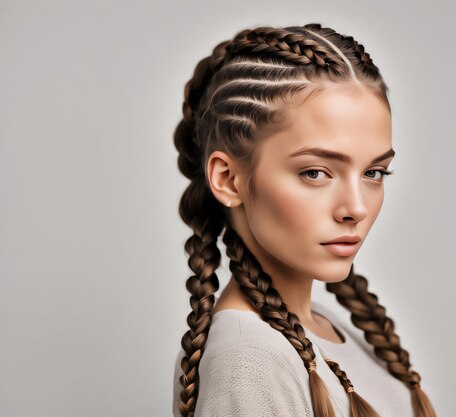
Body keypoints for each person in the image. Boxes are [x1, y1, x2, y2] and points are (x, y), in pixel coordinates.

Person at [171, 23, 437, 417]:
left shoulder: (319, 327)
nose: (356, 208)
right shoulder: (250, 359)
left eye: (374, 173)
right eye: (316, 172)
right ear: (228, 180)